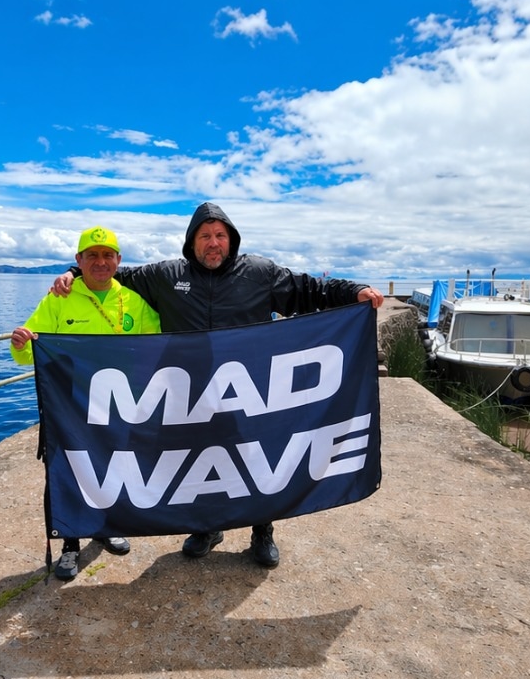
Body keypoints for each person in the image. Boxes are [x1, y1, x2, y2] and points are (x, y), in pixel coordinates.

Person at [48, 201, 384, 568]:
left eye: (220, 235)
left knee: (258, 461)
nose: (213, 243)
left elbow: (310, 289)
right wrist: (71, 273)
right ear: (192, 242)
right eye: (205, 236)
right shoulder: (165, 274)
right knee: (196, 463)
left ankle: (262, 531)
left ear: (231, 239)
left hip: (249, 393)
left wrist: (355, 291)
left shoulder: (259, 272)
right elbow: (110, 275)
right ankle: (207, 528)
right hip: (188, 397)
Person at [12, 226, 161, 581]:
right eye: (91, 255)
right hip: (70, 408)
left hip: (117, 408)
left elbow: (156, 350)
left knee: (113, 470)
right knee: (69, 473)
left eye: (107, 255)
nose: (100, 262)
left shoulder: (134, 302)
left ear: (118, 261)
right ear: (78, 261)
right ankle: (69, 545)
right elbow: (28, 351)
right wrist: (20, 342)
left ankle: (106, 526)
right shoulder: (58, 298)